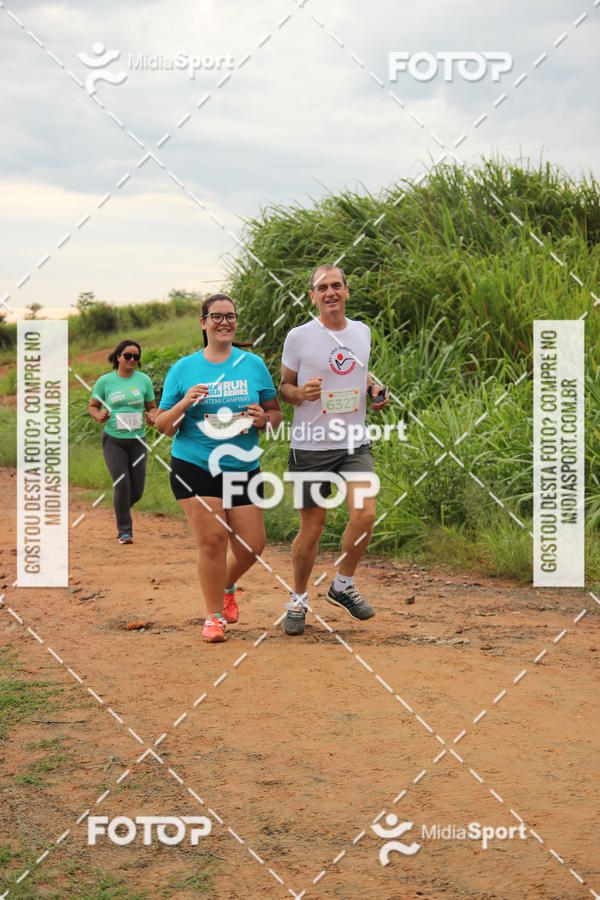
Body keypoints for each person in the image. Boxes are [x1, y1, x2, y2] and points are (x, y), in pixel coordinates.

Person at [155, 294, 282, 644]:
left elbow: (275, 415)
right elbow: (164, 425)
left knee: (253, 545)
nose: (224, 322)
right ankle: (212, 617)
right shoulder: (184, 368)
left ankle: (226, 585)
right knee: (212, 539)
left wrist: (263, 419)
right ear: (203, 322)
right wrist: (185, 401)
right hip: (194, 463)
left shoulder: (253, 364)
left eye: (230, 316)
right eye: (216, 316)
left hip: (241, 466)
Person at [280, 264, 389, 636]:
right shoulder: (299, 337)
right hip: (309, 447)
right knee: (312, 528)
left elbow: (361, 372)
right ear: (312, 295)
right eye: (322, 287)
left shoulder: (361, 332)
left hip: (353, 443)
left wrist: (375, 389)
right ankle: (297, 599)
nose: (330, 292)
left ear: (346, 291)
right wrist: (301, 394)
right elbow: (284, 388)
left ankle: (342, 584)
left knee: (365, 513)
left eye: (336, 286)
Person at [89, 339, 157, 544]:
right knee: (121, 483)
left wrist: (152, 416)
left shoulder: (144, 380)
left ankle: (120, 507)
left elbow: (151, 407)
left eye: (136, 357)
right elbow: (93, 406)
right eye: (128, 355)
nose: (132, 360)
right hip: (114, 440)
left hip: (138, 440)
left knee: (136, 490)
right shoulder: (105, 381)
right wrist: (98, 415)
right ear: (118, 357)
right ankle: (125, 531)